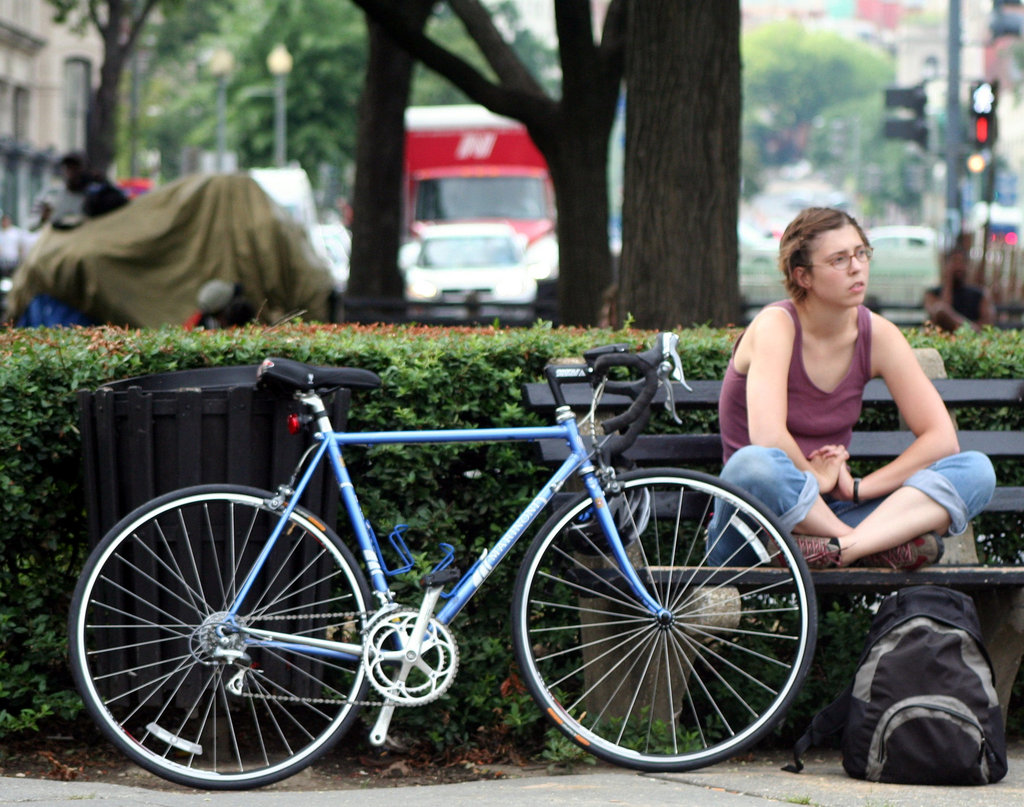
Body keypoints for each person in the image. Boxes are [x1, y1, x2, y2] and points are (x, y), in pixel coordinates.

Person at [708, 207, 995, 570]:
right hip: (756, 527)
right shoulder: (775, 327)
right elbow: (767, 437)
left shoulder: (878, 336)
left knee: (976, 471)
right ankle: (865, 545)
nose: (857, 267)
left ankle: (840, 548)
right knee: (752, 465)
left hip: (834, 513)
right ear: (803, 276)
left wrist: (859, 489)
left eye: (861, 253)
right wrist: (815, 476)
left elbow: (941, 439)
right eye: (838, 259)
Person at [923, 246, 995, 333]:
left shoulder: (980, 294)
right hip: (944, 338)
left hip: (973, 339)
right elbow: (939, 317)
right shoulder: (932, 294)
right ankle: (970, 331)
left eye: (961, 262)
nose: (958, 266)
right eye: (954, 262)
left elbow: (987, 325)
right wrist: (948, 282)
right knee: (941, 310)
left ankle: (970, 331)